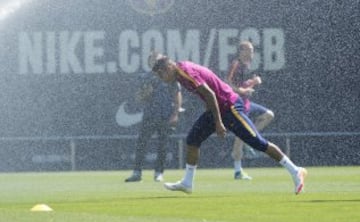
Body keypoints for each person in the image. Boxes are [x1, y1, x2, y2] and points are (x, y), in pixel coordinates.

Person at [148, 51, 307, 194]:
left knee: (257, 142)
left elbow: (210, 94)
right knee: (193, 139)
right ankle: (187, 183)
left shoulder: (184, 72)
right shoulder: (180, 72)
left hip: (230, 106)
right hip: (218, 107)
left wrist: (218, 122)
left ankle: (295, 170)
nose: (162, 79)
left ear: (169, 67)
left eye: (161, 75)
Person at [227, 41, 274, 180]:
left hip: (246, 103)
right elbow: (227, 82)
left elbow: (242, 84)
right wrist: (243, 89)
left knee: (269, 115)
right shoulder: (236, 63)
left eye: (252, 50)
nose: (251, 53)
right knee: (239, 137)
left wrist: (253, 82)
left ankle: (249, 139)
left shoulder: (246, 65)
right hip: (237, 104)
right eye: (249, 50)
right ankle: (237, 171)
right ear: (241, 51)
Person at [125, 72, 182, 182]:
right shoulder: (145, 77)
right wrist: (146, 92)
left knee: (163, 145)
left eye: (158, 60)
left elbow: (177, 95)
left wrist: (175, 114)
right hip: (149, 116)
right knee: (141, 144)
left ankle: (158, 173)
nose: (156, 63)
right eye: (153, 60)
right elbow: (138, 98)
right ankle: (137, 173)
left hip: (165, 116)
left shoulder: (170, 77)